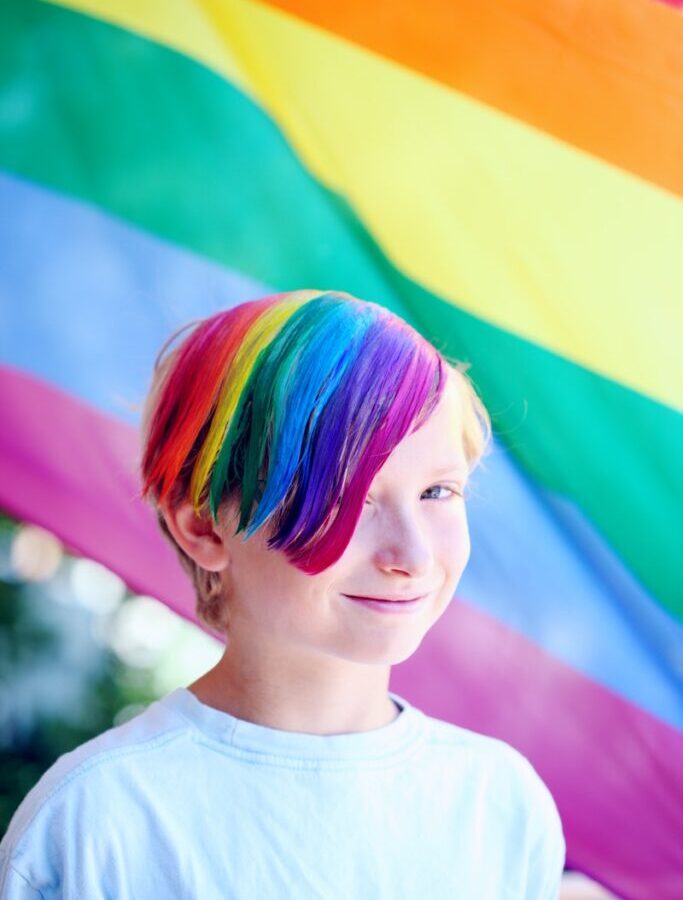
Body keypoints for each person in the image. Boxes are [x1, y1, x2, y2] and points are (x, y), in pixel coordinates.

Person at [0, 289, 566, 898]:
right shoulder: (97, 823)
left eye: (438, 493)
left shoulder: (499, 806)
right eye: (345, 499)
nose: (414, 557)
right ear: (204, 527)